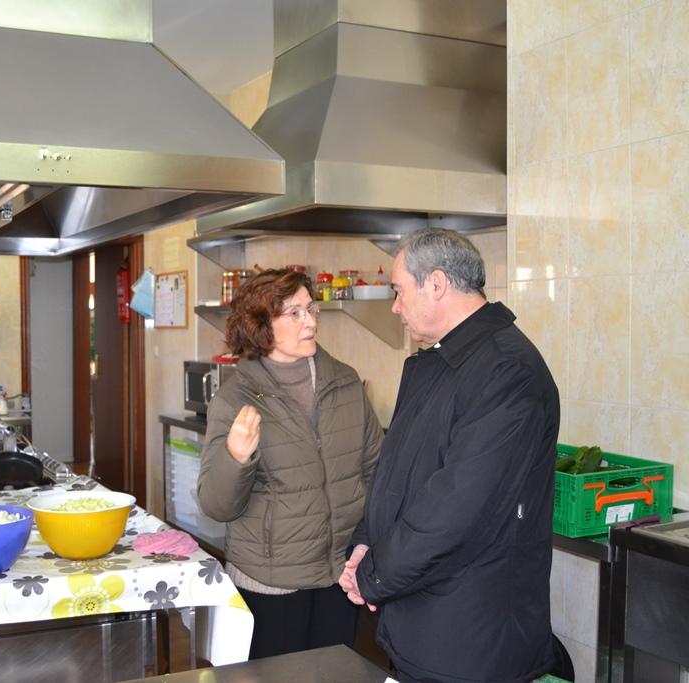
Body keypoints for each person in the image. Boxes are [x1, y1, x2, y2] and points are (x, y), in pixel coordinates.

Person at [338, 229, 560, 683]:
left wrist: (374, 575)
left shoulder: (506, 372)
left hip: (468, 637)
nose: (395, 306)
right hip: (424, 619)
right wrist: (365, 542)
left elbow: (456, 509)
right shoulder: (437, 363)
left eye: (399, 291)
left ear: (436, 284)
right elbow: (396, 475)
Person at [197, 267, 384, 660]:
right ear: (261, 327)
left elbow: (376, 472)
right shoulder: (235, 399)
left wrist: (368, 545)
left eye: (311, 309)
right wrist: (236, 458)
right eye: (294, 313)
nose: (310, 321)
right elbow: (217, 506)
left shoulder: (346, 383)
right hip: (271, 583)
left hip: (339, 573)